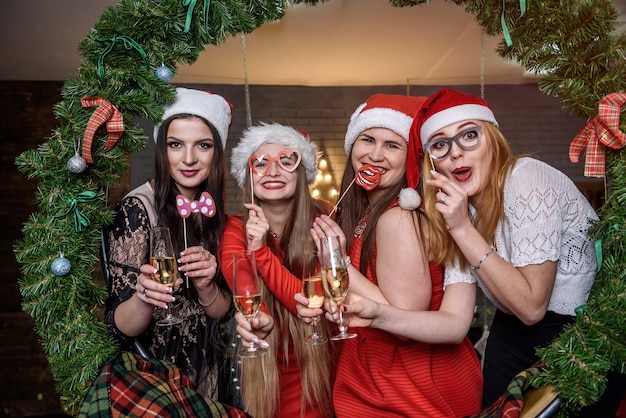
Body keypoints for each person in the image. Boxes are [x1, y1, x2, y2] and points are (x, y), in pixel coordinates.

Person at [414, 88, 624, 415]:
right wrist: (376, 312)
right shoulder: (458, 211)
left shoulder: (526, 178)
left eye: (469, 135)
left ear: (493, 141)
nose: (455, 153)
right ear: (433, 164)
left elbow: (531, 307)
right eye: (440, 144)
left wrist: (462, 229)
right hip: (511, 331)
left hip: (583, 332)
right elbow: (455, 322)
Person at [300, 94, 483, 417]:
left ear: (411, 157)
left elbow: (401, 316)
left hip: (408, 386)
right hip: (383, 376)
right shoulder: (366, 214)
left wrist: (338, 261)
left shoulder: (397, 218)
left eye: (392, 145)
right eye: (367, 140)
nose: (375, 154)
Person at [104, 87, 234, 402]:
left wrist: (207, 287)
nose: (188, 159)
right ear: (163, 149)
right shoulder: (138, 207)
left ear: (216, 152)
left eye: (202, 145)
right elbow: (119, 327)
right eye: (176, 145)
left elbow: (221, 313)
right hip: (154, 371)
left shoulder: (213, 212)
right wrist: (144, 297)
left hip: (207, 368)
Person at [219, 123, 334, 418]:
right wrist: (258, 316)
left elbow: (310, 302)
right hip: (267, 373)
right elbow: (241, 279)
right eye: (260, 163)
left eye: (286, 161)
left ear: (301, 172)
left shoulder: (325, 217)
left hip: (325, 370)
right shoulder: (235, 227)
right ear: (248, 176)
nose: (272, 171)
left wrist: (260, 252)